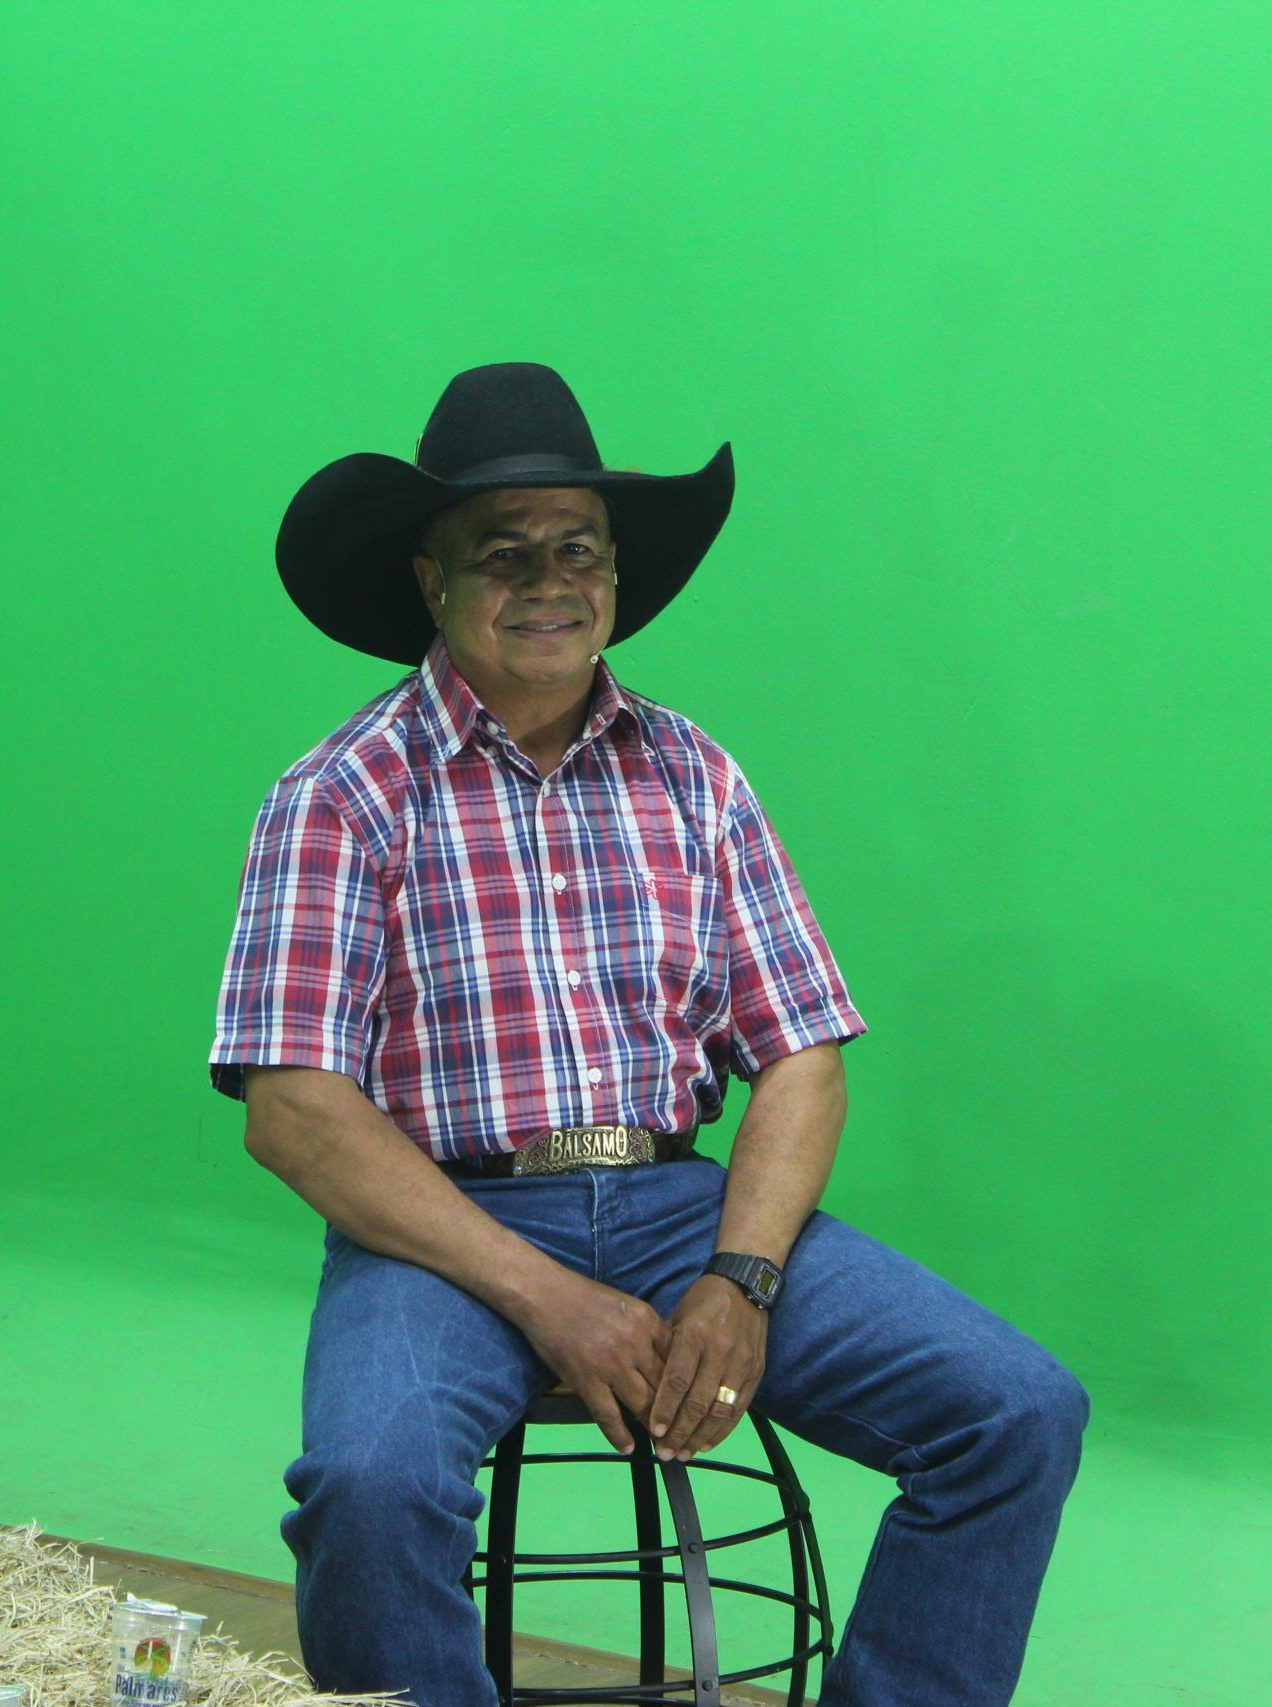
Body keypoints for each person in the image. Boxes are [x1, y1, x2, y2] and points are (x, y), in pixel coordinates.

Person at [209, 363, 1089, 1707]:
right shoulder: (342, 794)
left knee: (1016, 1410)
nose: (549, 583)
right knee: (368, 1483)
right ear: (431, 582)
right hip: (444, 1228)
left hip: (682, 1209)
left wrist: (744, 1278)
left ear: (615, 575)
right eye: (503, 553)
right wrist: (549, 1297)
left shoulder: (694, 774)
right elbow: (295, 1112)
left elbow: (801, 1056)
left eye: (579, 549)